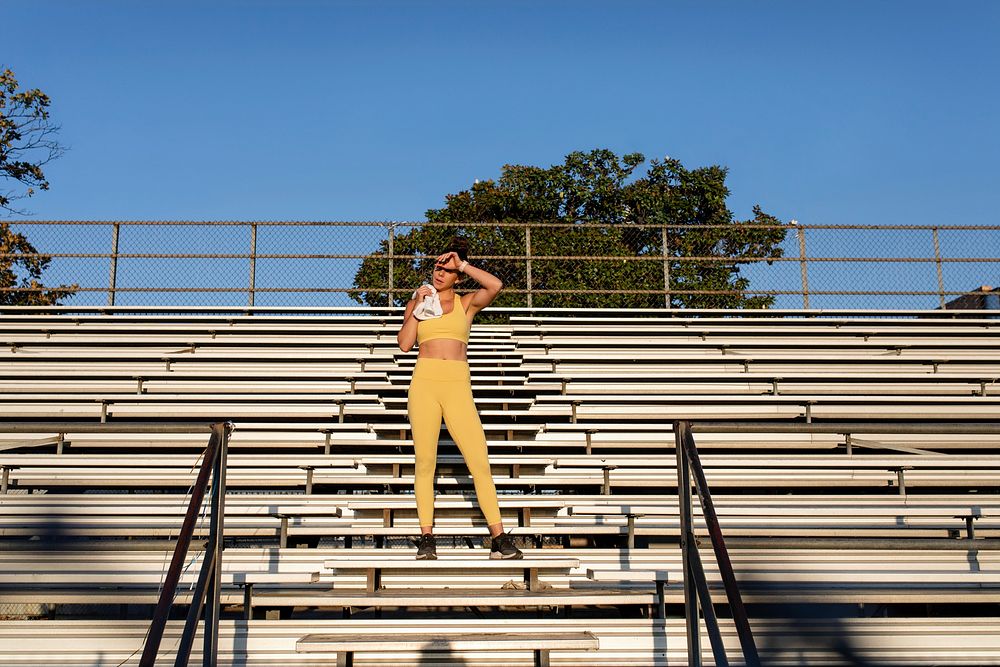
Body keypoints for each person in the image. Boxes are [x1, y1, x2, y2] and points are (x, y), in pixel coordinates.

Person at [396, 237, 523, 560]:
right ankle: (426, 537)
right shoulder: (419, 302)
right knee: (425, 462)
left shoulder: (467, 303)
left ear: (457, 276)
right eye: (437, 267)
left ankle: (498, 537)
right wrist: (415, 306)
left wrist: (462, 263)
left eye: (446, 269)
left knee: (479, 460)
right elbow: (405, 345)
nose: (440, 273)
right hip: (424, 382)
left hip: (456, 384)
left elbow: (495, 285)